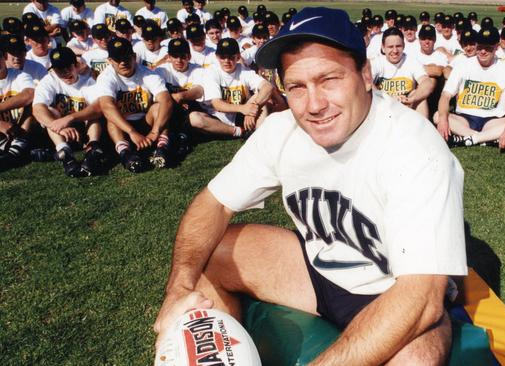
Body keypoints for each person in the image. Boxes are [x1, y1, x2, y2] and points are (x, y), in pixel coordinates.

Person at [153, 8, 466, 365]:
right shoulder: (282, 130)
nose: (314, 104)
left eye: (329, 79)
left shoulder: (415, 148)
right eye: (297, 86)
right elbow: (215, 203)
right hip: (318, 268)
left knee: (417, 360)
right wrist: (178, 286)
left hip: (392, 289)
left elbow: (422, 296)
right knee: (212, 250)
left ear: (365, 74)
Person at [435, 27, 505, 148]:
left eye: (488, 48)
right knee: (437, 116)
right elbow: (445, 95)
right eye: (480, 47)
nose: (482, 52)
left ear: (497, 47)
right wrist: (443, 120)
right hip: (464, 118)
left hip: (492, 120)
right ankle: (486, 139)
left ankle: (472, 139)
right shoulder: (463, 65)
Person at [95, 37, 173, 172]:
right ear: (110, 61)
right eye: (118, 59)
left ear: (134, 56)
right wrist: (132, 132)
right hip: (123, 127)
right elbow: (106, 106)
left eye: (126, 57)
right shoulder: (106, 77)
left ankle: (162, 147)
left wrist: (155, 131)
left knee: (159, 107)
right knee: (112, 115)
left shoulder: (148, 73)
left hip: (145, 122)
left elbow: (166, 100)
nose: (123, 62)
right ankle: (125, 152)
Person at [32, 46, 104, 177]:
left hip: (83, 128)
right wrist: (59, 126)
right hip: (59, 132)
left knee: (93, 115)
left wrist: (70, 118)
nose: (65, 72)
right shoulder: (49, 81)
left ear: (76, 65)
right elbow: (37, 109)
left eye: (68, 67)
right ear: (53, 70)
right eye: (60, 69)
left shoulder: (88, 83)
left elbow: (99, 108)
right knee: (50, 111)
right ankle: (64, 152)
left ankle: (92, 149)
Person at [189, 38, 273, 135]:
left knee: (263, 100)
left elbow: (268, 87)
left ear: (238, 57)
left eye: (231, 57)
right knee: (194, 118)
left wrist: (254, 108)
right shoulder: (211, 72)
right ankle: (238, 131)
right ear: (217, 57)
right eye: (222, 57)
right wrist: (243, 108)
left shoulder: (244, 71)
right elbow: (217, 104)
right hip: (217, 118)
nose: (226, 61)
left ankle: (258, 136)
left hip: (239, 115)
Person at [370, 27, 433, 118]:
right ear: (383, 48)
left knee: (421, 98)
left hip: (407, 105)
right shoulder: (377, 62)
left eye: (398, 46)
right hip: (383, 106)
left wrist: (411, 99)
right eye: (390, 47)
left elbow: (427, 83)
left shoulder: (411, 61)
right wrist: (388, 98)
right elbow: (366, 82)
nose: (395, 51)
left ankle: (421, 130)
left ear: (403, 46)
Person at [0, 39, 36, 170]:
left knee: (33, 103)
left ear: (4, 58)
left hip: (21, 126)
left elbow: (30, 94)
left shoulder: (20, 75)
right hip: (3, 128)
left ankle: (18, 146)